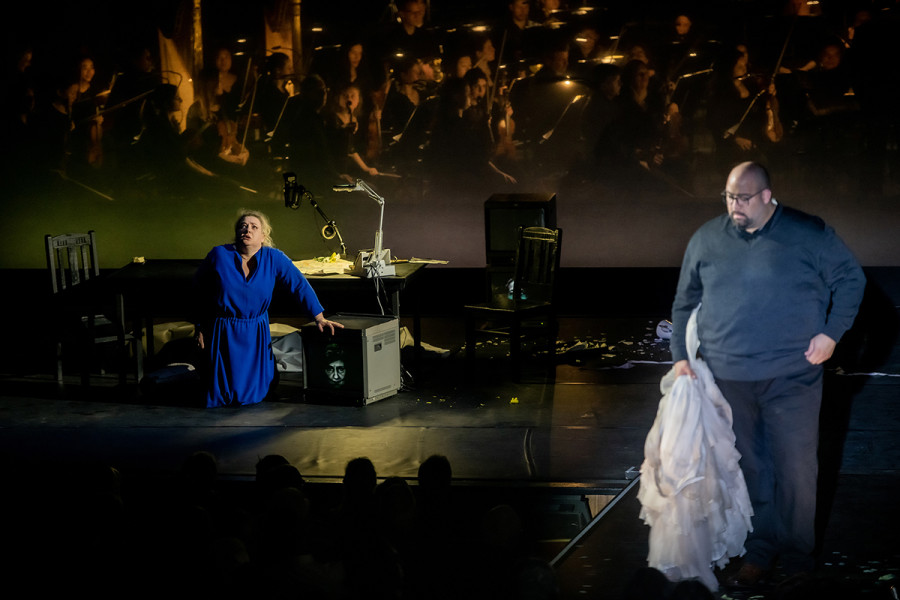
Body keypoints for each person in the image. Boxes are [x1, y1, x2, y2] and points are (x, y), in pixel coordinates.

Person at [669, 162, 866, 586]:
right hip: (730, 378)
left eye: (742, 198)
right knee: (752, 467)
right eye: (727, 197)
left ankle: (798, 558)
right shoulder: (707, 238)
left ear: (765, 196)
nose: (733, 206)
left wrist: (831, 334)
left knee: (796, 470)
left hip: (791, 375)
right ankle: (761, 549)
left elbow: (852, 278)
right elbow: (685, 301)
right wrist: (679, 355)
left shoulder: (807, 233)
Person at [194, 210, 343, 408]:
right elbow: (198, 291)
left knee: (256, 393)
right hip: (224, 331)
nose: (247, 230)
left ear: (264, 236)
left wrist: (319, 317)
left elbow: (299, 286)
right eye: (243, 226)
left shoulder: (274, 258)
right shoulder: (219, 255)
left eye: (254, 227)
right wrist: (199, 326)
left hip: (255, 331)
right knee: (223, 392)